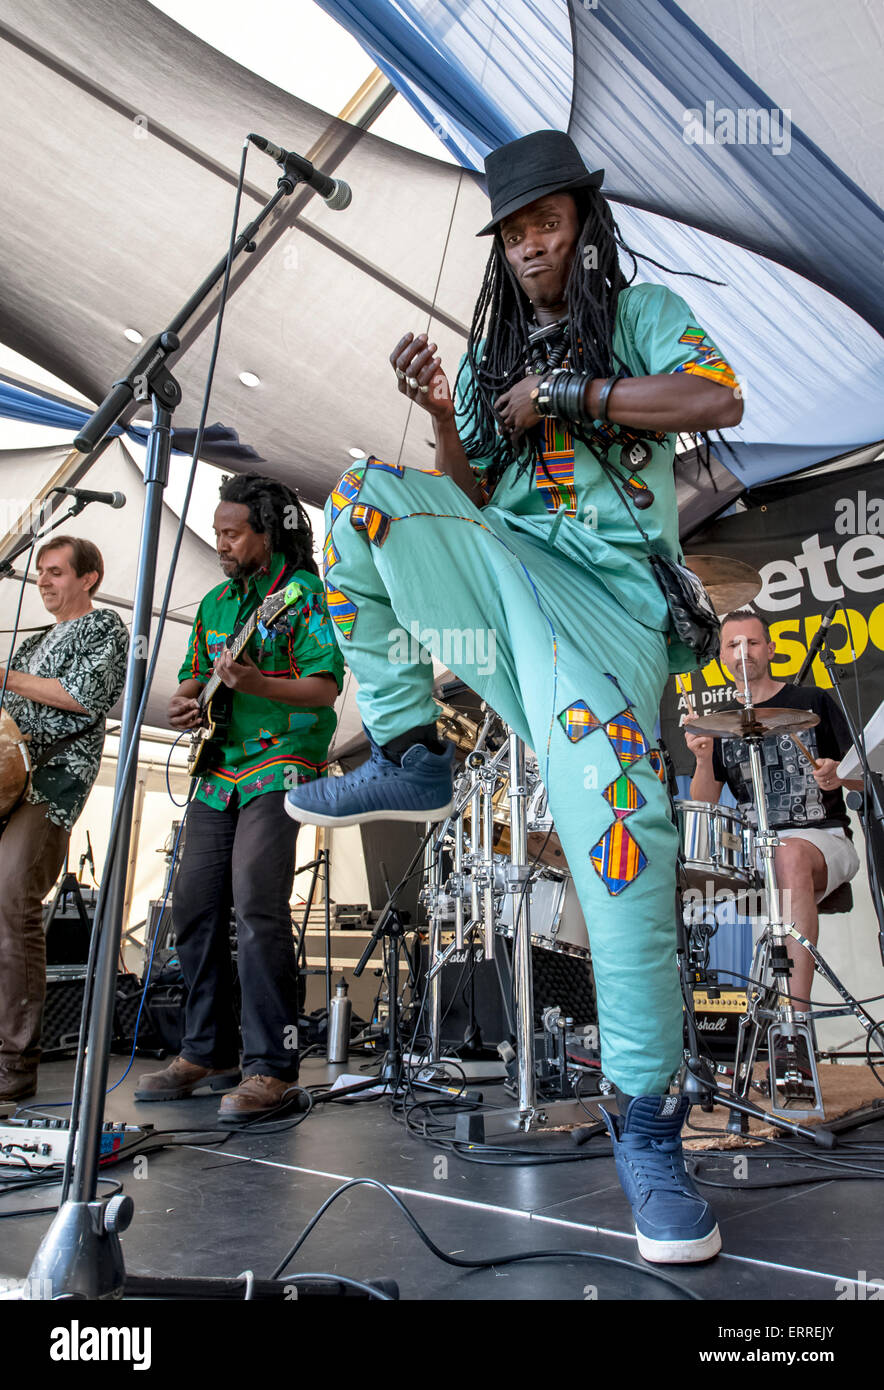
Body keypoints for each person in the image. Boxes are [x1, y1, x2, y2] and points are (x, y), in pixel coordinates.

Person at [285, 130, 743, 1262]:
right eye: (512, 230)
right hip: (502, 573)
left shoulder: (638, 314)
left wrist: (571, 387)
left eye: (544, 220)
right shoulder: (496, 341)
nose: (529, 243)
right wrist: (449, 409)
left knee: (619, 841)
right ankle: (410, 748)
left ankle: (645, 1124)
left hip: (604, 606)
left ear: (580, 221)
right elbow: (476, 483)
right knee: (358, 504)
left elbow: (715, 399)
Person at [135, 474, 343, 1122]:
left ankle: (271, 1067)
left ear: (267, 532)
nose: (220, 543)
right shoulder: (218, 603)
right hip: (217, 769)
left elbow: (323, 688)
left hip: (282, 763)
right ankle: (208, 1050)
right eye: (218, 531)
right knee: (193, 906)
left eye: (232, 533)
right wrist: (187, 700)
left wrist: (256, 682)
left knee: (257, 905)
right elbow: (195, 678)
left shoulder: (303, 597)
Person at [0, 535, 128, 1101]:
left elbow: (85, 695)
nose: (43, 583)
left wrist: (5, 677)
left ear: (89, 577)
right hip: (6, 775)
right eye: (38, 575)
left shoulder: (107, 631)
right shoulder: (26, 644)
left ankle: (13, 1064)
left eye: (54, 572)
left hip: (52, 782)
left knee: (11, 896)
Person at [685, 610, 861, 1010]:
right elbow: (705, 802)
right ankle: (705, 1034)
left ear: (770, 649)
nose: (742, 651)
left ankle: (794, 1022)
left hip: (821, 838)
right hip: (751, 850)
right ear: (722, 658)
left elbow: (863, 775)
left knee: (789, 854)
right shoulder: (720, 724)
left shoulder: (810, 701)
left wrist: (838, 775)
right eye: (733, 644)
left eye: (751, 642)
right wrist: (702, 758)